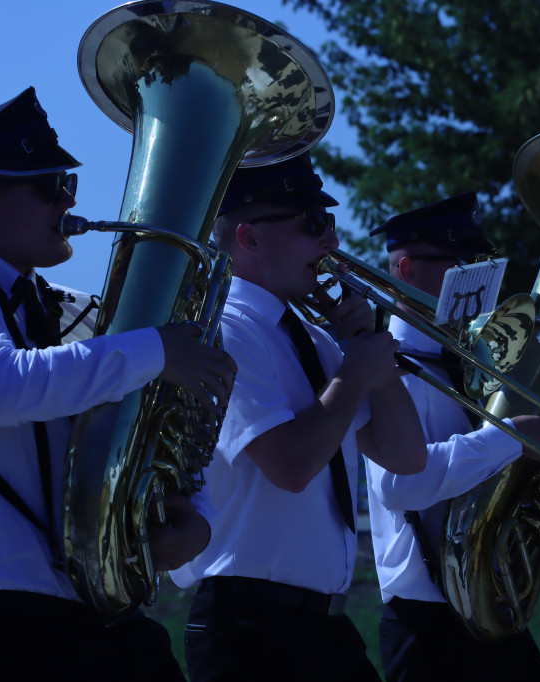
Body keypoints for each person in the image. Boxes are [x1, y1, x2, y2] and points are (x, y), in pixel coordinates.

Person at [0, 86, 237, 681]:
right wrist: (154, 348)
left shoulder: (66, 308)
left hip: (107, 621)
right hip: (2, 627)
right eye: (51, 186)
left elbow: (160, 424)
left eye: (68, 185)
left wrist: (194, 511)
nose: (70, 201)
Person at [169, 152, 429, 682]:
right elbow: (289, 466)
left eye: (328, 224)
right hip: (250, 626)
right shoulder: (227, 328)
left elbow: (407, 456)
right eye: (313, 225)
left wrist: (366, 345)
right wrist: (353, 375)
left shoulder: (313, 337)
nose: (330, 241)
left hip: (319, 625)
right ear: (250, 237)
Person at [364, 192, 540, 682]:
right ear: (405, 270)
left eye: (482, 262)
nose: (479, 276)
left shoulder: (475, 361)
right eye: (460, 263)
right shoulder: (385, 364)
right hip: (429, 628)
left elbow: (488, 474)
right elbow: (398, 486)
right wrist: (511, 439)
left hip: (490, 604)